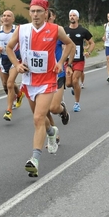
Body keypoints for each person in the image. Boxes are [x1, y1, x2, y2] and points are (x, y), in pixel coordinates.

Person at [6, 0, 74, 178]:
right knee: (40, 119)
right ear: (29, 13)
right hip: (29, 81)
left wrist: (60, 62)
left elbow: (70, 44)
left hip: (48, 81)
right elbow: (9, 48)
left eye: (39, 11)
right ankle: (52, 132)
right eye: (32, 11)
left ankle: (34, 160)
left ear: (46, 13)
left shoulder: (55, 29)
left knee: (38, 118)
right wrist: (17, 65)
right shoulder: (22, 30)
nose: (35, 14)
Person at [0, 10, 24, 121]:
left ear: (13, 19)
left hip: (15, 59)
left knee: (9, 84)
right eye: (4, 16)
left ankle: (9, 110)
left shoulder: (18, 30)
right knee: (5, 84)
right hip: (3, 60)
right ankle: (19, 94)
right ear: (2, 18)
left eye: (8, 16)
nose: (6, 17)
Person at [45, 8, 72, 146]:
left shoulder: (57, 30)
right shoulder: (32, 31)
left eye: (46, 15)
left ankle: (63, 110)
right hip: (41, 76)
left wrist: (66, 64)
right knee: (43, 111)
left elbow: (70, 45)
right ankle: (54, 134)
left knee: (54, 108)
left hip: (57, 73)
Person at [64, 9, 94, 112]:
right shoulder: (64, 30)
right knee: (68, 83)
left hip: (79, 60)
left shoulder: (83, 31)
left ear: (77, 18)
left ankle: (77, 104)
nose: (72, 17)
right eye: (70, 15)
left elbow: (92, 43)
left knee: (75, 80)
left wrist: (88, 52)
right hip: (67, 61)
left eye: (74, 15)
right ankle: (74, 88)